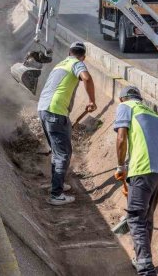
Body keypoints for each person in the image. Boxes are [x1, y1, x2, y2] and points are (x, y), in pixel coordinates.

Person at [114, 86, 158, 276]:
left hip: (143, 169)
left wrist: (121, 166)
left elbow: (121, 138)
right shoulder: (153, 114)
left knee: (136, 219)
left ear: (123, 99)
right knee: (146, 218)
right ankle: (141, 259)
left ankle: (146, 269)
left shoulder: (126, 106)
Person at [38, 41, 97, 206]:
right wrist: (92, 100)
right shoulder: (76, 63)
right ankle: (56, 194)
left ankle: (57, 184)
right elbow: (87, 78)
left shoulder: (60, 64)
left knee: (57, 153)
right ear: (83, 57)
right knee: (63, 154)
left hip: (43, 109)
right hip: (56, 111)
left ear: (69, 52)